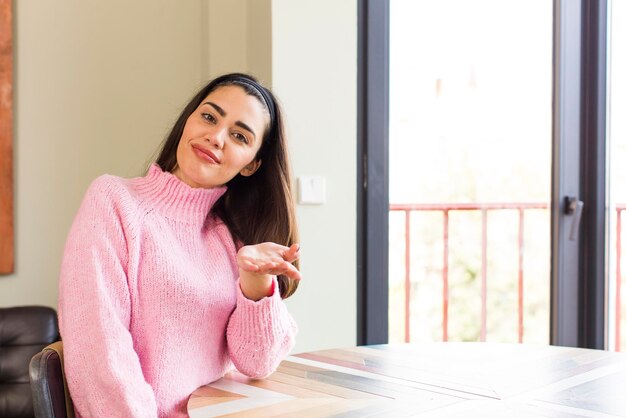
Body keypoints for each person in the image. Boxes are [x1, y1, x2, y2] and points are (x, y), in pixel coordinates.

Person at [58, 73, 301, 418]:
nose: (215, 137)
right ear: (188, 120)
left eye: (238, 136)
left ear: (252, 165)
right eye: (209, 116)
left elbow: (257, 363)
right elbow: (98, 353)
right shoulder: (114, 201)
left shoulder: (234, 239)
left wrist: (256, 283)